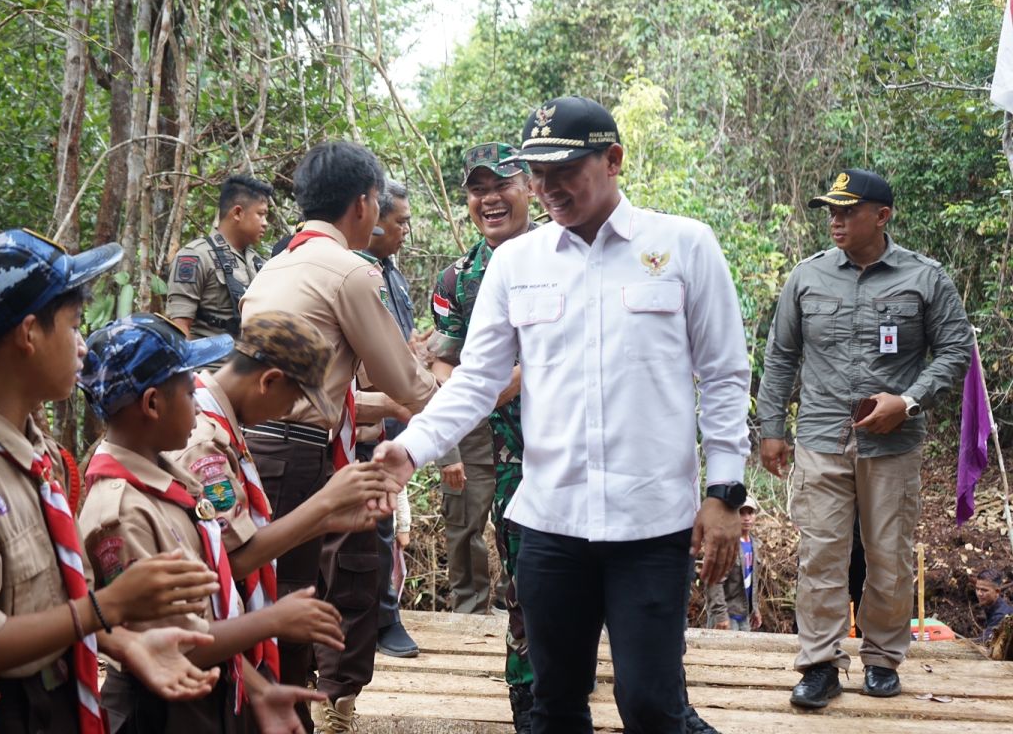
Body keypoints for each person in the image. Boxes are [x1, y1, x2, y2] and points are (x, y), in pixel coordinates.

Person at [374, 96, 751, 734]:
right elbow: (477, 381)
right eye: (539, 173)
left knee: (651, 704)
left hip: (650, 527)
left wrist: (724, 493)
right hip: (550, 526)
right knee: (554, 706)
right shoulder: (516, 265)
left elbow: (723, 376)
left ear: (614, 160)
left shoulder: (684, 246)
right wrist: (410, 450)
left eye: (565, 170)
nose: (549, 188)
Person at [0, 229, 224, 734]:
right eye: (72, 327)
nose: (83, 350)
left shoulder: (37, 454)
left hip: (59, 698)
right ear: (29, 335)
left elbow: (47, 601)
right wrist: (107, 607)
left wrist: (124, 641)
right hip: (4, 714)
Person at [77, 312, 397, 732]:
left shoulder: (166, 479)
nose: (197, 399)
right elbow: (169, 646)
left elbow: (205, 599)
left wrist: (259, 689)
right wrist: (273, 620)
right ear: (153, 403)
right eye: (187, 390)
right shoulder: (128, 506)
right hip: (157, 710)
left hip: (205, 690)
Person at [239, 141, 438, 733]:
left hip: (264, 446)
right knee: (298, 594)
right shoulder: (351, 271)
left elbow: (337, 389)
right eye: (380, 203)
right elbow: (400, 380)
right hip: (297, 453)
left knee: (289, 586)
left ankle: (310, 707)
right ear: (364, 203)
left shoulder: (274, 267)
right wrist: (466, 393)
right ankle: (301, 714)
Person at [756, 168, 972, 708]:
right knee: (821, 556)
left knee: (889, 556)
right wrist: (771, 430)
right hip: (822, 439)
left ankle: (881, 657)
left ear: (882, 216)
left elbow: (954, 352)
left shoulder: (926, 278)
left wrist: (909, 400)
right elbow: (781, 356)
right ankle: (820, 664)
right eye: (831, 209)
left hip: (893, 446)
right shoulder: (806, 279)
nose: (835, 219)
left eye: (848, 210)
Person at [427, 142, 535, 731]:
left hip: (571, 441)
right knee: (515, 554)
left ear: (530, 188)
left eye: (502, 186)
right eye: (477, 190)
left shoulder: (562, 252)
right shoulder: (458, 277)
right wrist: (465, 385)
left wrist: (504, 381)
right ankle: (527, 689)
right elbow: (443, 359)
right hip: (498, 447)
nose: (490, 199)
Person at [354, 181, 420, 660]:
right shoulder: (353, 273)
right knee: (369, 524)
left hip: (398, 417)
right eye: (399, 222)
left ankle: (384, 613)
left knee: (386, 521)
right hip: (360, 417)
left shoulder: (392, 275)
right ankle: (379, 619)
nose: (405, 232)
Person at [166, 174, 272, 349]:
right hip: (211, 367)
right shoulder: (195, 257)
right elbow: (179, 327)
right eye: (260, 214)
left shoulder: (257, 261)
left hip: (252, 366)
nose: (265, 223)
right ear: (237, 213)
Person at [706, 495, 763, 632]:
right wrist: (720, 615)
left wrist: (754, 609)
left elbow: (751, 580)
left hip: (744, 615)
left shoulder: (755, 544)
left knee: (745, 652)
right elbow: (714, 582)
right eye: (741, 513)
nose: (747, 518)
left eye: (750, 513)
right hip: (727, 616)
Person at [975, 569, 1012, 644]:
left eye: (984, 590)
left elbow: (983, 643)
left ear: (997, 591)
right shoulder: (991, 607)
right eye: (977, 589)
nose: (979, 593)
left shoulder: (1001, 616)